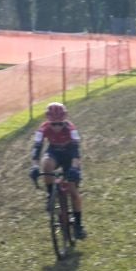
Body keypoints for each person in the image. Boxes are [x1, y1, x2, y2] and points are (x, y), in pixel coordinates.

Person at [28, 102, 86, 239]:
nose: (57, 127)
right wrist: (35, 166)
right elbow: (37, 148)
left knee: (73, 191)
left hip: (70, 155)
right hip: (54, 152)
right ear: (48, 121)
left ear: (65, 120)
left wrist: (74, 168)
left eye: (60, 123)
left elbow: (76, 151)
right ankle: (50, 194)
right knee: (46, 164)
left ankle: (78, 225)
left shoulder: (71, 129)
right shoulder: (43, 128)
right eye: (53, 124)